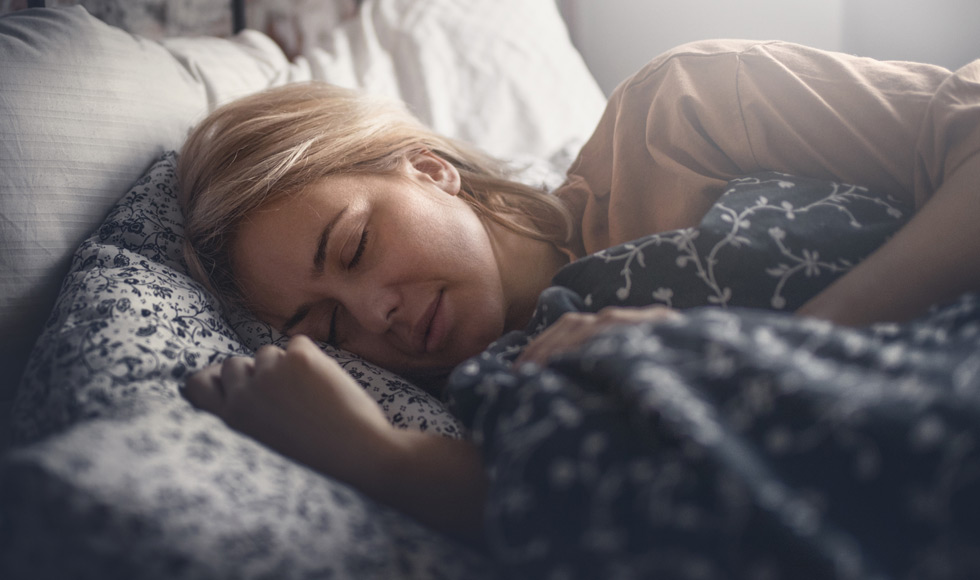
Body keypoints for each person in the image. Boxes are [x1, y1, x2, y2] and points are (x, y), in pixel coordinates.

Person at [178, 40, 980, 546]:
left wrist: (781, 343)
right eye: (328, 327)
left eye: (354, 248)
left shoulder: (678, 112)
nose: (374, 315)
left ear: (426, 169)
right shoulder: (499, 393)